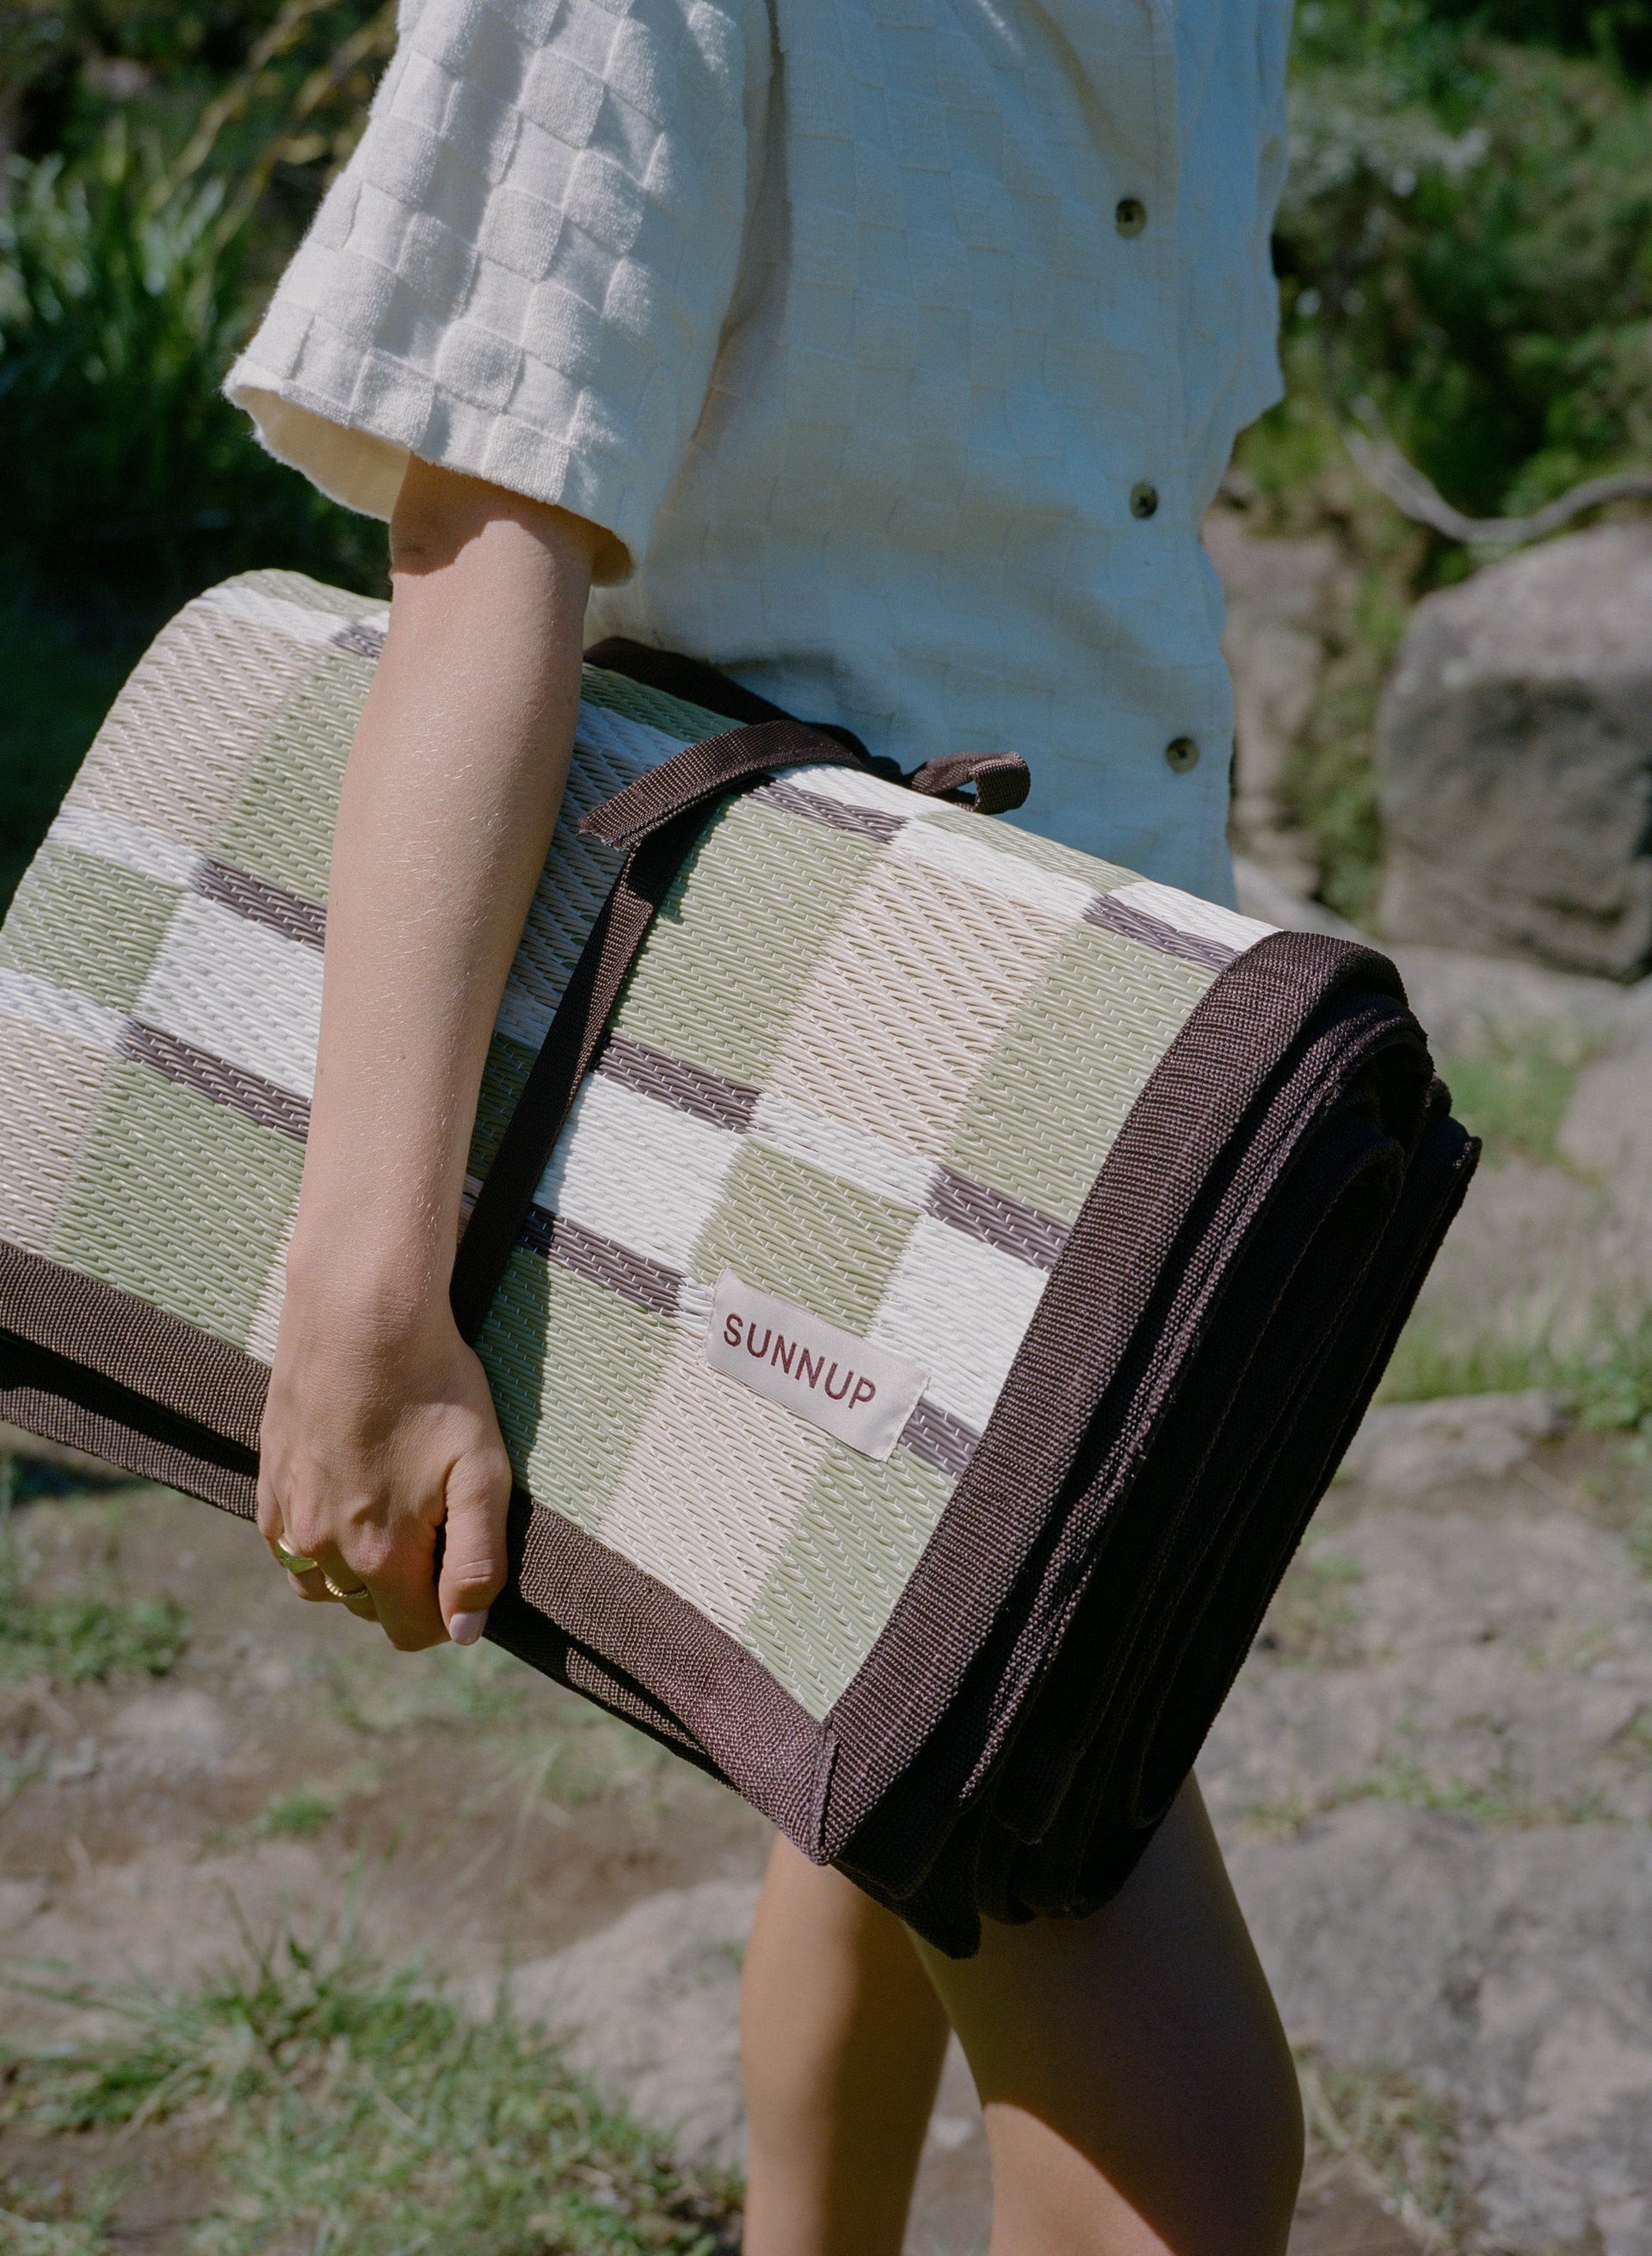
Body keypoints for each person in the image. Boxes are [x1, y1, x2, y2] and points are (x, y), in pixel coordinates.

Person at [229, 0, 1304, 2247]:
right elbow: (488, 520)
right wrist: (368, 1272)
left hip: (1127, 1072)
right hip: (841, 1097)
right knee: (1185, 2139)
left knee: (884, 1821)